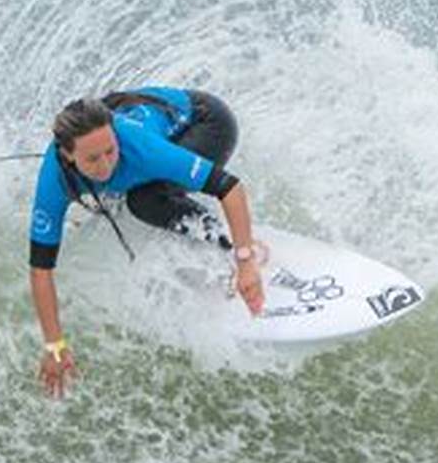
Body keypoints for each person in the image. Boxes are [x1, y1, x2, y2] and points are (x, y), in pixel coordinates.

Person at [28, 86, 265, 397]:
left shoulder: (140, 147)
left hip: (206, 121)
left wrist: (244, 260)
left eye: (111, 151)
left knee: (146, 201)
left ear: (115, 135)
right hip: (150, 130)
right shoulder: (53, 179)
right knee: (115, 197)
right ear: (67, 155)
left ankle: (227, 242)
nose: (105, 165)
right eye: (92, 160)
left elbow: (230, 188)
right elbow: (40, 270)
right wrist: (55, 346)